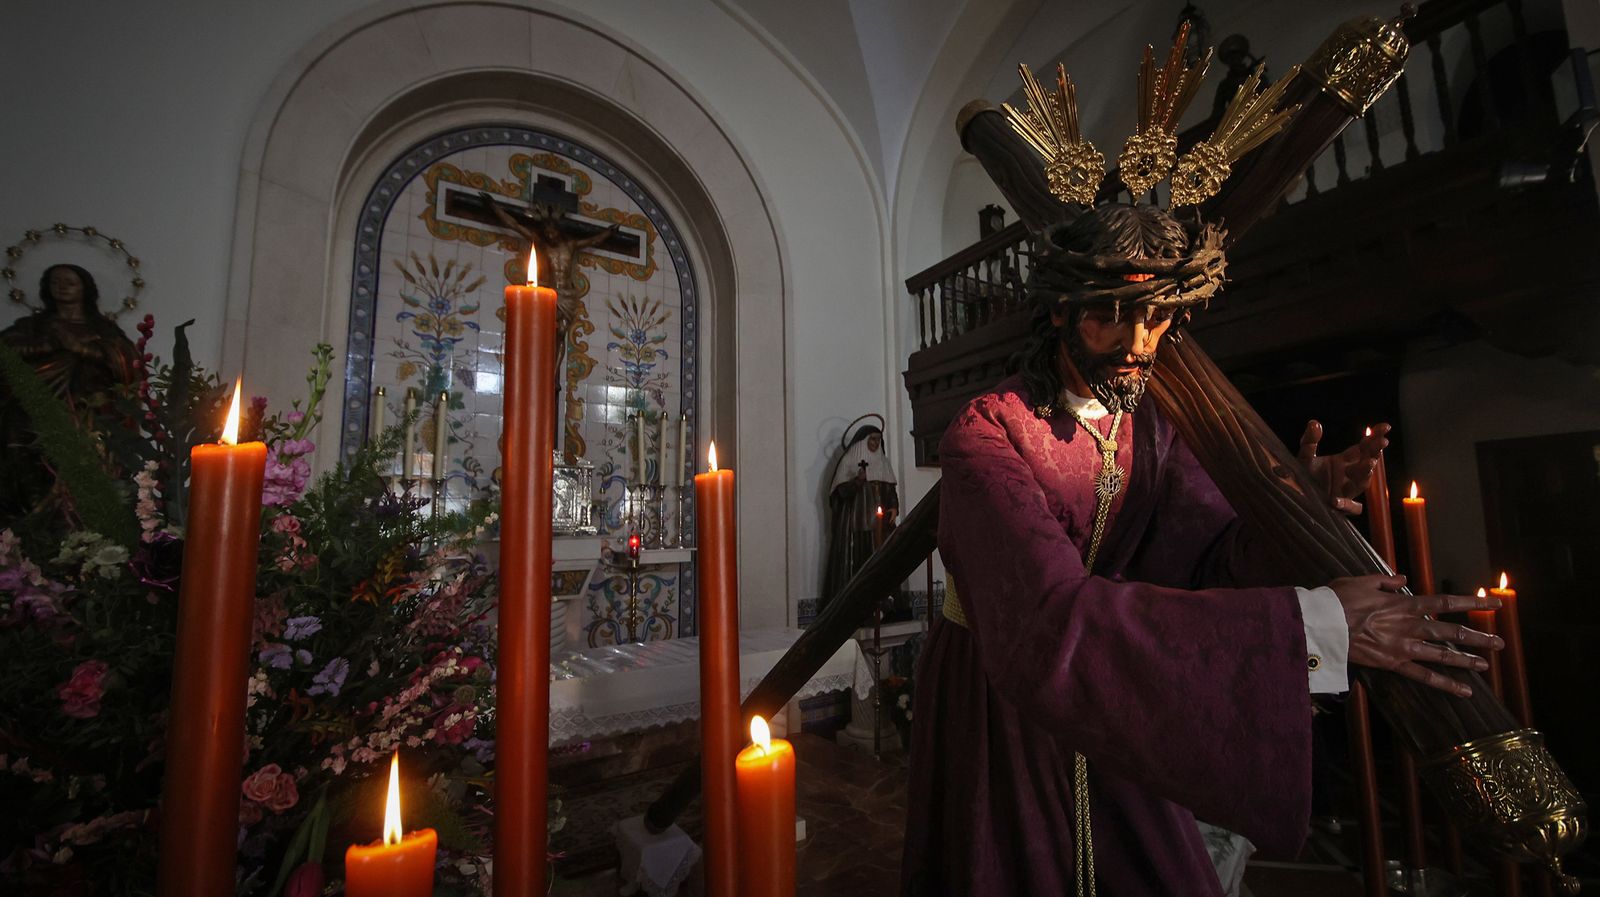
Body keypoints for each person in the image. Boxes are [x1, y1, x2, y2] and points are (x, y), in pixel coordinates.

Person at [820, 416, 900, 613]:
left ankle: (883, 605)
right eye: (871, 439)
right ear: (863, 441)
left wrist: (894, 507)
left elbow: (890, 491)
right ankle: (856, 606)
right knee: (860, 562)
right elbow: (839, 493)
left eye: (877, 440)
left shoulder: (883, 462)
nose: (874, 443)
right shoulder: (849, 460)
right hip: (856, 525)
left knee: (882, 562)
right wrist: (857, 481)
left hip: (880, 528)